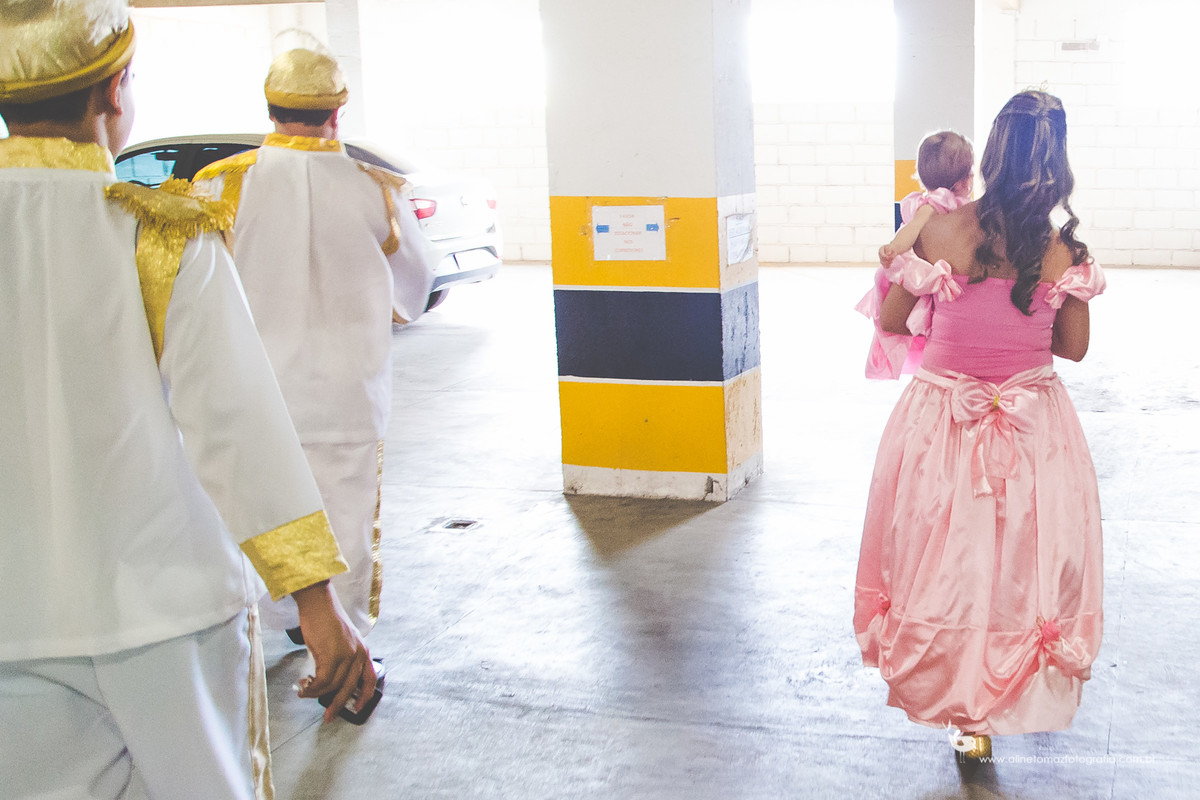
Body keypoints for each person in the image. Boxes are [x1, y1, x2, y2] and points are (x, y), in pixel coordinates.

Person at [0, 2, 375, 797]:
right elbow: (233, 424)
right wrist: (317, 601)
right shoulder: (157, 233)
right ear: (115, 90)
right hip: (165, 616)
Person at [853, 90, 1106, 762]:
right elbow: (1073, 348)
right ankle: (999, 698)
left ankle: (962, 706)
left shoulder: (937, 229)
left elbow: (889, 321)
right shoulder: (1061, 250)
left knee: (947, 561)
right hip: (1030, 424)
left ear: (990, 153)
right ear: (1058, 166)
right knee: (1019, 562)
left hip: (943, 420)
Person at [193, 36, 435, 661]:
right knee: (346, 516)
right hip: (348, 393)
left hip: (253, 389)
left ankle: (270, 624)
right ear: (338, 112)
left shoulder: (223, 186)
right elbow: (415, 286)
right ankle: (344, 643)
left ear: (270, 110)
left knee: (255, 505)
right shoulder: (376, 188)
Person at [856, 130, 975, 379]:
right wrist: (895, 248)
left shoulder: (959, 206)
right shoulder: (934, 203)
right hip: (920, 267)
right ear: (964, 180)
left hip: (936, 262)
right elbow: (912, 229)